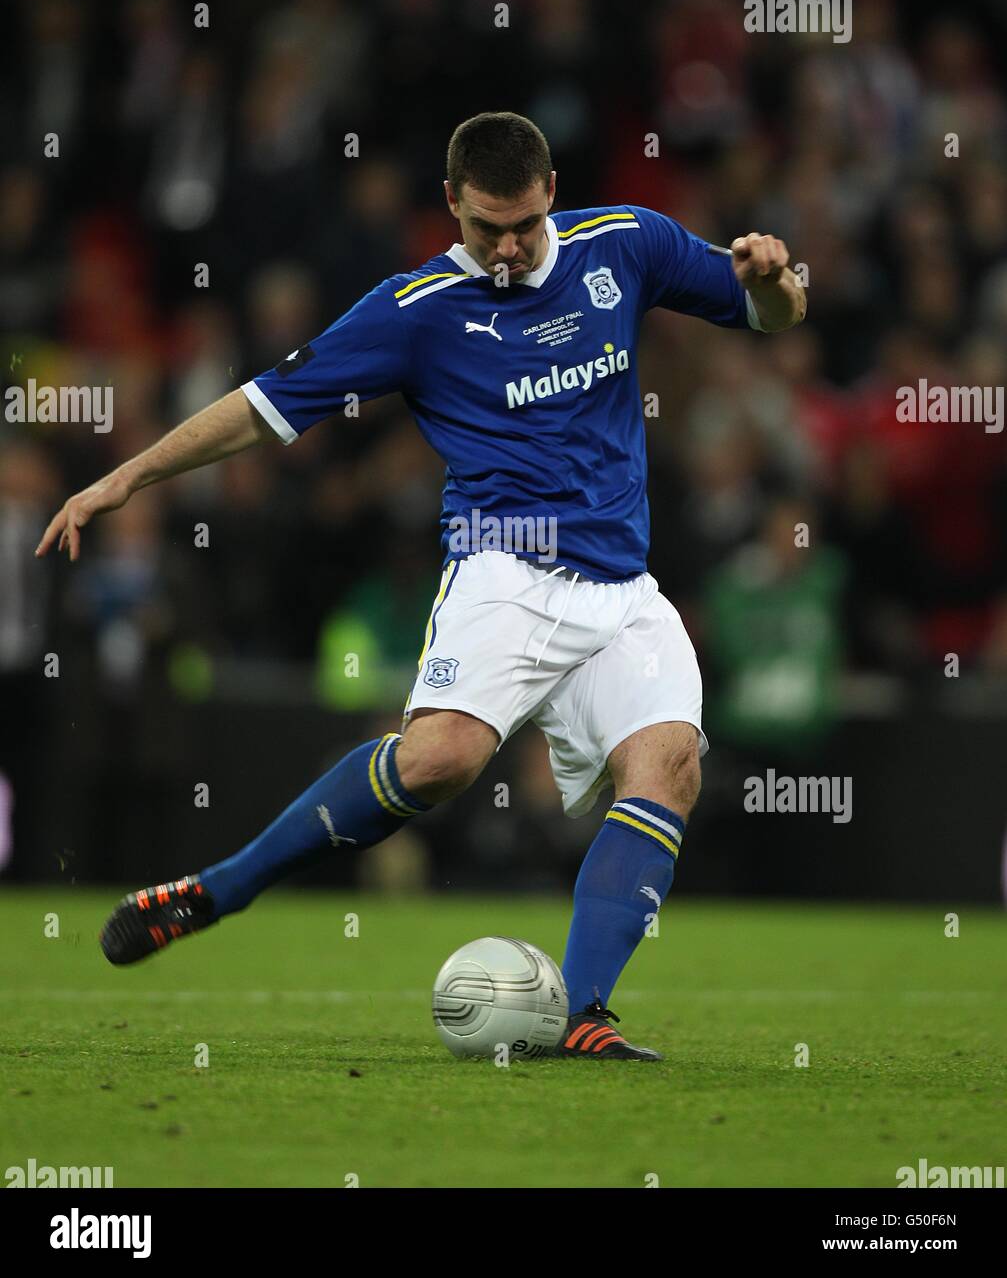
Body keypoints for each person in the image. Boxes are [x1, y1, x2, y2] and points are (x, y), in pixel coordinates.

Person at [36, 112, 805, 1059]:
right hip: (501, 570)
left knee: (669, 767)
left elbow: (772, 315)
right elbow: (258, 413)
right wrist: (123, 479)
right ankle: (215, 891)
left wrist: (771, 282)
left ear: (551, 192)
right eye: (488, 229)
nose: (511, 247)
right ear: (451, 207)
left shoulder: (627, 246)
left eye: (524, 223)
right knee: (439, 760)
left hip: (621, 591)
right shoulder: (415, 310)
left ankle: (584, 1019)